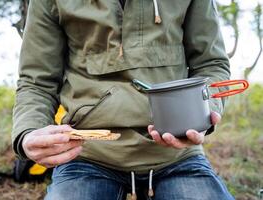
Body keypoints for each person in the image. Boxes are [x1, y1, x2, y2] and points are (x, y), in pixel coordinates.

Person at [12, 0, 234, 199]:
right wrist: (28, 132)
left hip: (177, 156)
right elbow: (36, 81)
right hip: (87, 155)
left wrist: (202, 117)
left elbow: (211, 65)